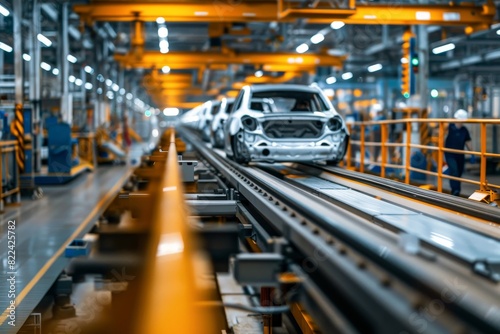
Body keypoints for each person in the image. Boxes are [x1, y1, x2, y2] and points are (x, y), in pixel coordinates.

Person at [444, 109, 473, 196]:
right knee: (454, 171)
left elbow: (468, 142)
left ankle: (456, 191)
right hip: (450, 154)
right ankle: (455, 191)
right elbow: (440, 134)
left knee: (459, 173)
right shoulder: (449, 127)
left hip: (460, 155)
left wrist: (472, 154)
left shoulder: (464, 130)